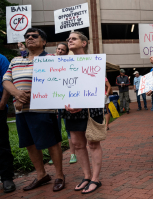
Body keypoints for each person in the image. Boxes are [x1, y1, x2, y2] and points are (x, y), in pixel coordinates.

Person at [3, 28, 65, 191]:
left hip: (44, 110)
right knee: (29, 144)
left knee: (52, 143)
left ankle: (59, 175)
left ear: (44, 41)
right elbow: (6, 80)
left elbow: (56, 81)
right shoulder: (16, 60)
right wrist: (16, 93)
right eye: (27, 36)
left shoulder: (52, 59)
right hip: (21, 111)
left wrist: (28, 96)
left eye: (34, 36)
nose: (29, 38)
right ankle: (41, 175)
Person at [18, 42, 77, 165]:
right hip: (53, 103)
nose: (60, 51)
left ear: (66, 53)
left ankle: (72, 154)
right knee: (57, 130)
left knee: (69, 128)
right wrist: (23, 51)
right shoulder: (49, 60)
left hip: (66, 102)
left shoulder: (68, 64)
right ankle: (55, 155)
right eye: (58, 49)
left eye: (63, 50)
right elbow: (30, 60)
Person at [64, 31, 103, 194]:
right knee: (77, 143)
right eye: (68, 39)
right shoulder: (62, 63)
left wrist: (83, 103)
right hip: (70, 109)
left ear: (84, 43)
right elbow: (60, 87)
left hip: (90, 108)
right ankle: (86, 177)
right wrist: (64, 103)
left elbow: (99, 88)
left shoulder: (94, 61)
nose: (69, 41)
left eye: (73, 38)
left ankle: (95, 179)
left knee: (93, 143)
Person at [0, 54, 16, 193]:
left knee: (2, 143)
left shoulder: (1, 59)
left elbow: (6, 81)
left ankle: (6, 177)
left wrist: (2, 103)